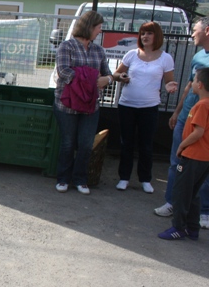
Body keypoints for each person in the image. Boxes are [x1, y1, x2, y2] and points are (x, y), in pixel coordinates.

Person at [154, 17, 209, 227]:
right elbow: (188, 86)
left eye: (195, 30)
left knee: (202, 168)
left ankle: (203, 210)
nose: (192, 33)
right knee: (176, 163)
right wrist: (177, 112)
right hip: (186, 117)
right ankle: (172, 202)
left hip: (204, 123)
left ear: (207, 31)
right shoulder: (197, 56)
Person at [113, 22, 178, 194]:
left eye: (149, 33)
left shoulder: (165, 58)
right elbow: (116, 74)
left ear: (157, 36)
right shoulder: (131, 54)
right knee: (126, 143)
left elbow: (169, 81)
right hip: (127, 105)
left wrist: (170, 86)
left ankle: (145, 179)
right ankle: (124, 178)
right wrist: (122, 76)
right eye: (142, 33)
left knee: (146, 145)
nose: (145, 37)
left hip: (149, 107)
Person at [53, 11, 113, 195]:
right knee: (68, 143)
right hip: (66, 104)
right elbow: (64, 71)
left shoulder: (98, 51)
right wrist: (91, 78)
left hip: (90, 106)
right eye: (98, 27)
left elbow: (106, 74)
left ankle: (80, 179)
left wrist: (108, 79)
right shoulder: (67, 46)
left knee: (86, 144)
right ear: (89, 27)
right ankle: (63, 178)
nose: (100, 31)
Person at [158, 67, 209, 240]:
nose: (191, 83)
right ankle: (192, 228)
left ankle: (178, 227)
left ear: (200, 85)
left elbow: (198, 132)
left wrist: (182, 146)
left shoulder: (201, 106)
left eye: (194, 80)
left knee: (181, 193)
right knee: (193, 193)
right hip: (204, 157)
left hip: (192, 156)